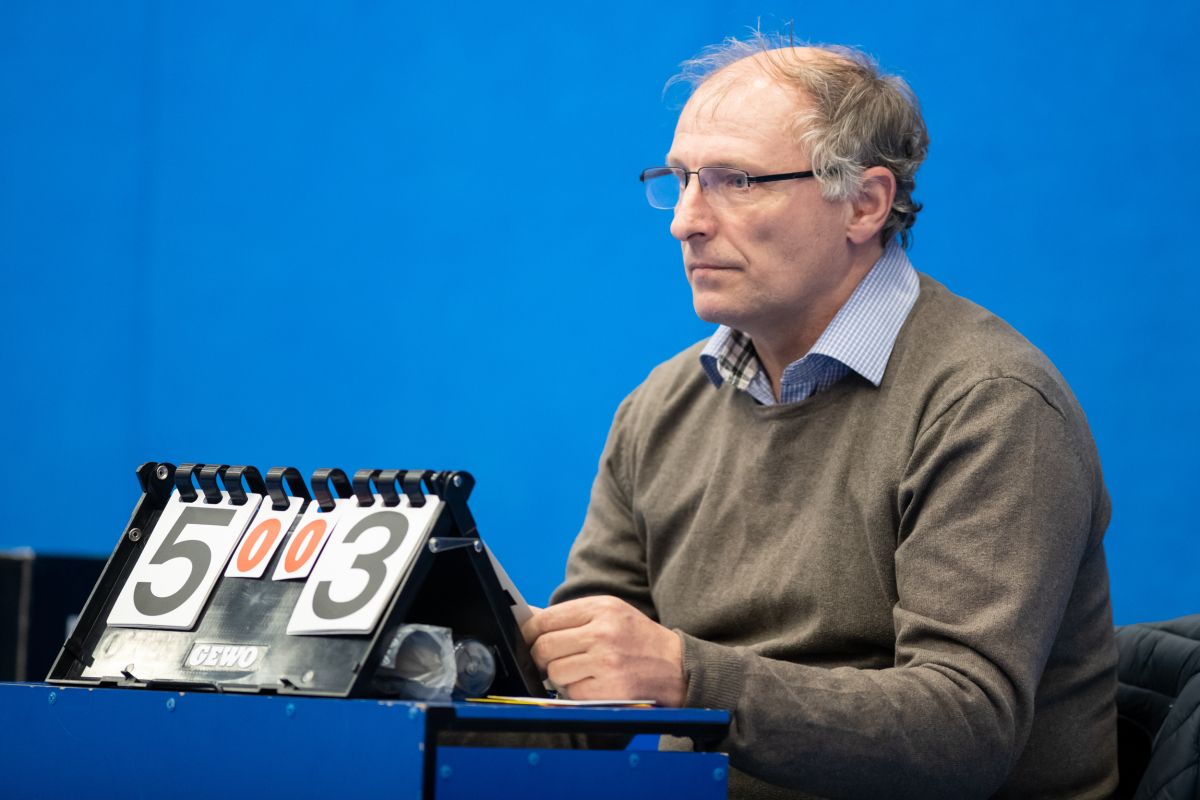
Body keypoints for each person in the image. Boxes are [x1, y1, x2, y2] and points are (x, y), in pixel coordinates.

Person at [520, 34, 1118, 799]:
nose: (685, 222)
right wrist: (430, 673)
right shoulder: (660, 408)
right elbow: (579, 709)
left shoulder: (989, 403)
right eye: (681, 180)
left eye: (735, 181)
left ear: (864, 203)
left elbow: (964, 732)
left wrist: (686, 675)